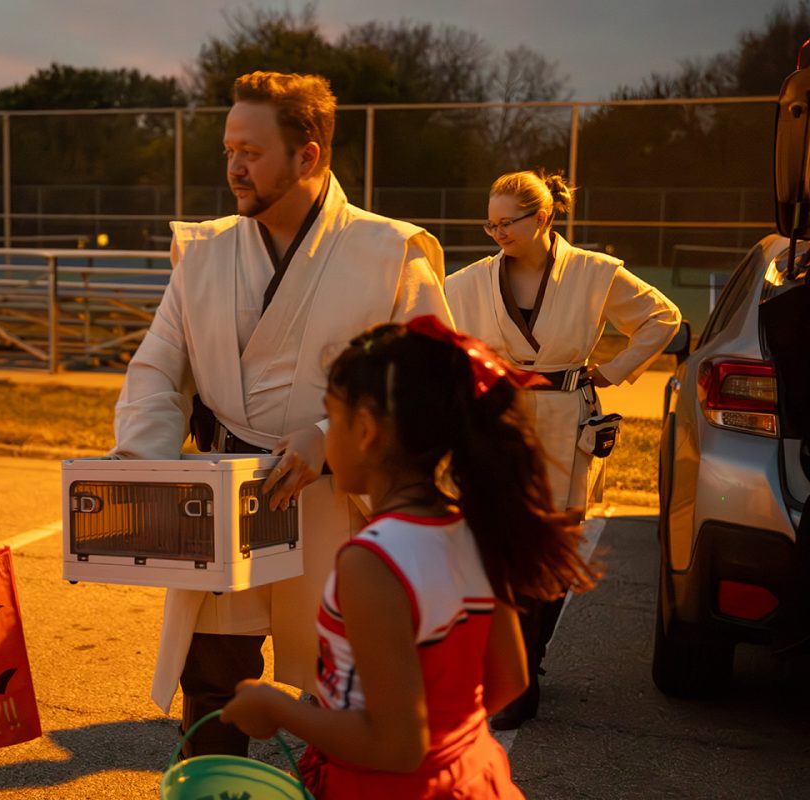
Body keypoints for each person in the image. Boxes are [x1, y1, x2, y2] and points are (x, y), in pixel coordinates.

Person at [111, 71, 451, 757]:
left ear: (309, 157)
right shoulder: (203, 250)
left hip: (334, 502)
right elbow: (159, 368)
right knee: (210, 690)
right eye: (229, 149)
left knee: (342, 696)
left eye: (252, 151)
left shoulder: (389, 251)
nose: (235, 166)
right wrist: (143, 474)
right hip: (223, 498)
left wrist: (330, 436)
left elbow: (430, 378)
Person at [221, 316, 599, 798]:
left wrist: (277, 711)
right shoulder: (472, 528)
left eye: (331, 417)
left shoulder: (372, 562)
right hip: (473, 776)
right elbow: (508, 680)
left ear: (364, 430)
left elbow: (397, 747)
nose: (326, 433)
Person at [445, 169, 680, 729]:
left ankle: (530, 657)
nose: (497, 233)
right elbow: (433, 329)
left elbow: (662, 318)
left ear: (544, 217)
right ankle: (515, 683)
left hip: (565, 422)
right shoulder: (471, 281)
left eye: (508, 222)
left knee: (550, 552)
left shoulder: (595, 274)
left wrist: (610, 371)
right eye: (491, 223)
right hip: (496, 421)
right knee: (501, 551)